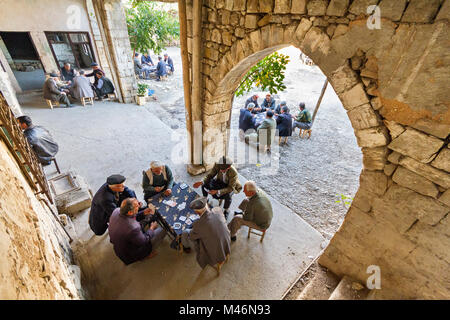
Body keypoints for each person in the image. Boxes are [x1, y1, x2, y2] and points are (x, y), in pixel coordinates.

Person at [109, 198, 166, 265]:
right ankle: (145, 255)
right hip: (131, 253)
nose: (139, 205)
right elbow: (144, 240)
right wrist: (151, 228)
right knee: (163, 230)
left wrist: (143, 213)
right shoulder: (133, 228)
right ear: (130, 212)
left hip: (120, 247)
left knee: (143, 224)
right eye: (137, 205)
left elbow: (131, 217)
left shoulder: (117, 210)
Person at [180, 197, 231, 269]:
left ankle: (186, 247)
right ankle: (186, 246)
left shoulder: (198, 224)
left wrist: (195, 229)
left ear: (197, 212)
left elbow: (192, 236)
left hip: (214, 252)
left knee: (186, 233)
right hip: (225, 244)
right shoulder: (218, 211)